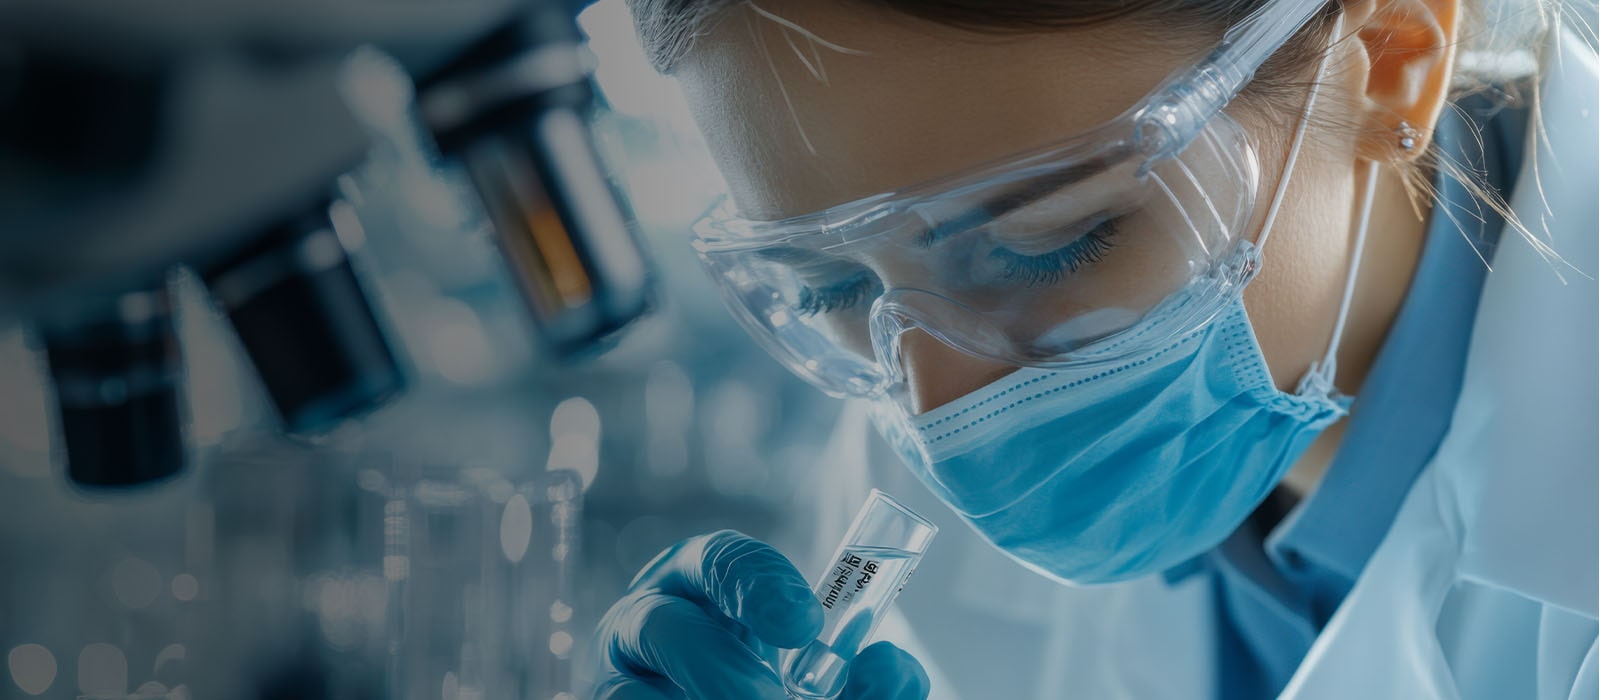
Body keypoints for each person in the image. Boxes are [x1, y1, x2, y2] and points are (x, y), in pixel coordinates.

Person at [590, 0, 1598, 698]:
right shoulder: (899, 518)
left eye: (1048, 242)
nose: (940, 416)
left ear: (1387, 60)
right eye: (834, 289)